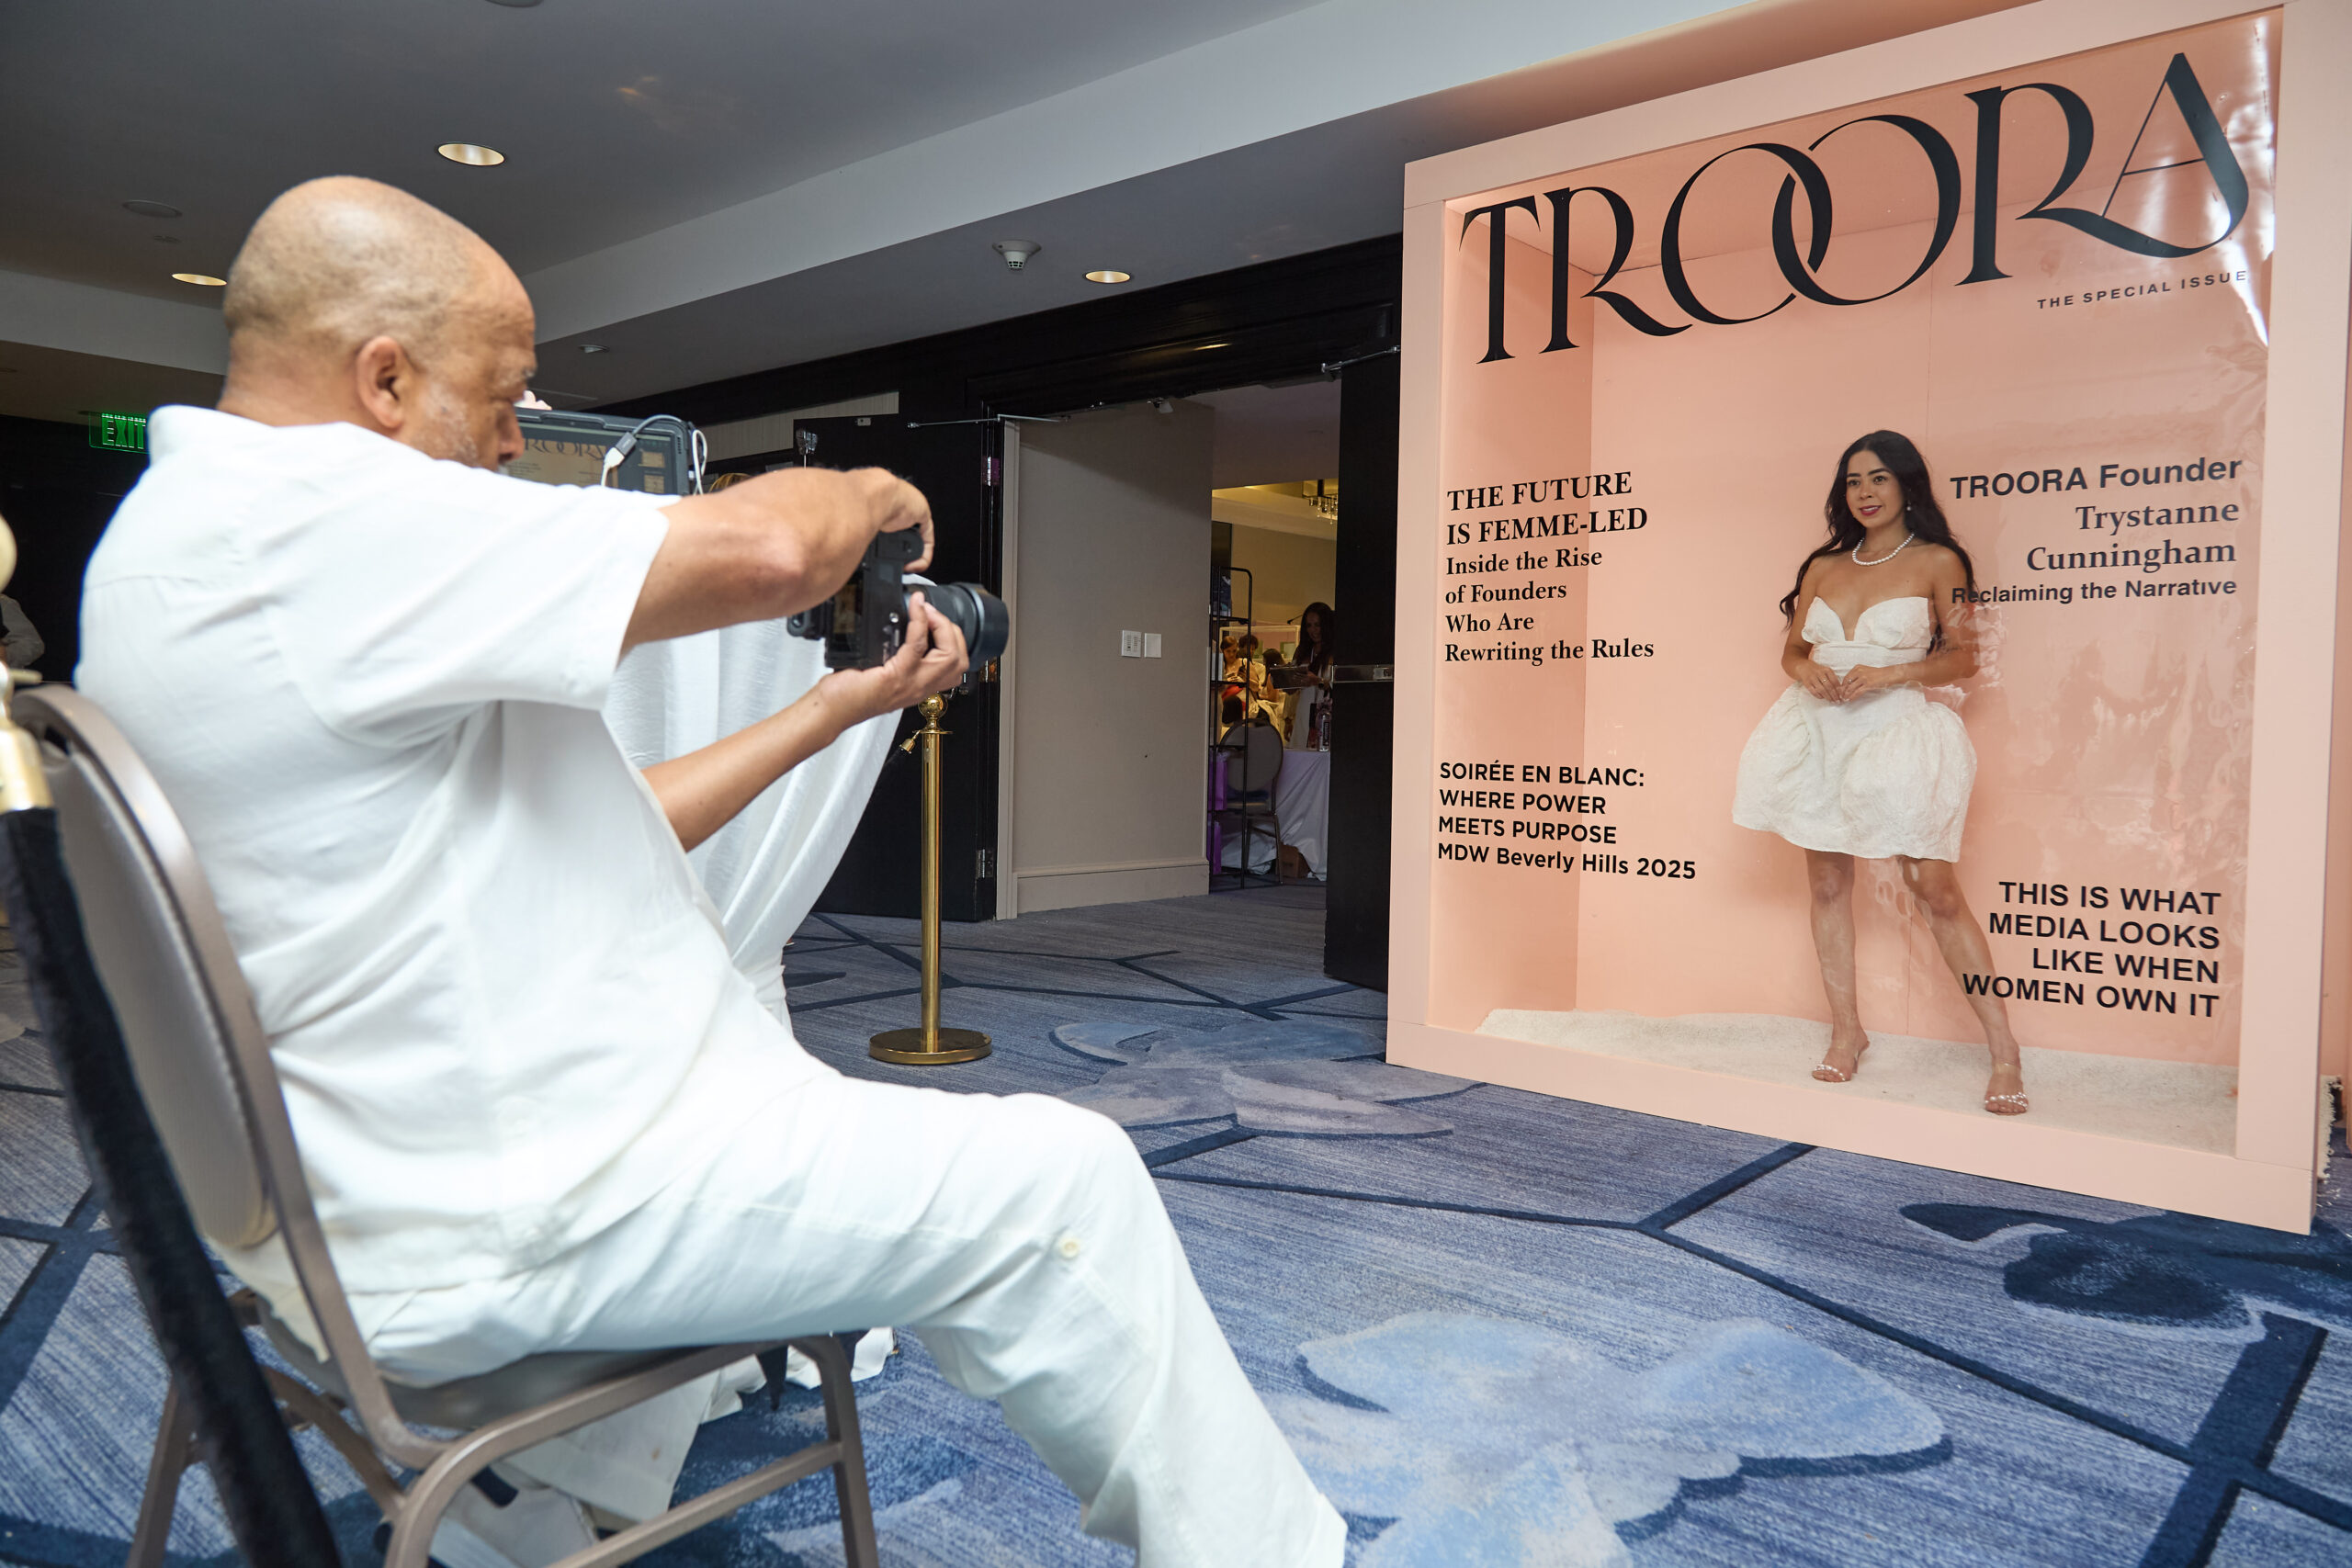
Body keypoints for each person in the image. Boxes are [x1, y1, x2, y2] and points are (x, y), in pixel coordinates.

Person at [77, 177, 1344, 1568]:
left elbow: (622, 816)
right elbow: (779, 548)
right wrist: (864, 485)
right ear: (384, 378)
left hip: (343, 1183)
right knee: (1066, 1181)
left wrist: (833, 711)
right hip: (493, 1205)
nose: (512, 440)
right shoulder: (318, 520)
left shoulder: (177, 538)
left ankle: (526, 1501)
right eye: (500, 397)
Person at [1730, 430, 2027, 1117]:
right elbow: (1795, 651)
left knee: (1934, 886)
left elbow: (1964, 659)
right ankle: (1847, 1031)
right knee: (1828, 880)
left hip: (1895, 727)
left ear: (1906, 486)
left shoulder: (1937, 560)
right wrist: (1807, 670)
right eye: (1853, 481)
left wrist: (1888, 672)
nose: (1863, 493)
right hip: (1817, 729)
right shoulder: (1823, 567)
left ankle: (2004, 1048)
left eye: (1878, 479)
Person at [1281, 601, 1335, 750]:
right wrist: (1288, 718)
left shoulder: (1335, 652)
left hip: (1326, 716)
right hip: (1304, 714)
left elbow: (1338, 685)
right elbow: (1292, 691)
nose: (1313, 630)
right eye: (1309, 625)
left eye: (1317, 625)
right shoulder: (1302, 651)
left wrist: (1317, 681)